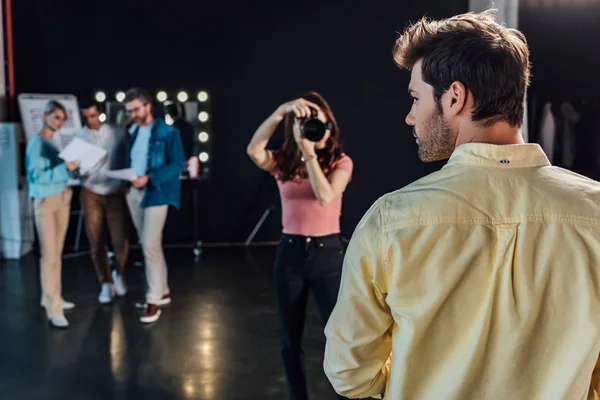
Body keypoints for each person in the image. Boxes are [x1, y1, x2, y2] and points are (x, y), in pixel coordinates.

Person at [323, 10, 600, 399]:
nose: (409, 117)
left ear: (454, 97)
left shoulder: (391, 221)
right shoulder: (595, 211)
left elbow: (350, 374)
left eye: (416, 98)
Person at [247, 91, 353, 400]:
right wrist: (280, 111)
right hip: (290, 254)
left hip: (328, 256)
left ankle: (345, 394)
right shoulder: (283, 161)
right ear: (296, 129)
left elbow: (325, 196)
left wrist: (309, 154)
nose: (314, 131)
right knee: (290, 340)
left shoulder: (340, 161)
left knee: (339, 336)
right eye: (306, 125)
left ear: (329, 127)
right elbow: (254, 150)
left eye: (318, 125)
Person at [123, 88, 185, 324]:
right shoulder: (132, 131)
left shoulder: (169, 132)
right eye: (130, 111)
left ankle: (153, 299)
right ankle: (163, 290)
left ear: (149, 106)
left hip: (156, 192)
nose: (133, 114)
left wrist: (149, 178)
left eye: (137, 109)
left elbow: (177, 164)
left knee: (149, 244)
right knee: (150, 245)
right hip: (134, 191)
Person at [25, 100, 80, 328]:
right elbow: (38, 176)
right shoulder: (36, 144)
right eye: (56, 117)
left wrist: (72, 168)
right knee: (49, 255)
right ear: (45, 116)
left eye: (63, 119)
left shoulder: (53, 142)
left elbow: (58, 172)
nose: (60, 123)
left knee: (56, 252)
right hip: (47, 201)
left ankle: (53, 297)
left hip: (62, 198)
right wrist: (64, 169)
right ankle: (52, 307)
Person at [77, 101, 130, 304]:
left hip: (115, 190)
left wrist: (127, 180)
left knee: (120, 239)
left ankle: (119, 273)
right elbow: (74, 166)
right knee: (95, 240)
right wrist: (78, 169)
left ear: (100, 113)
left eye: (92, 115)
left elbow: (129, 156)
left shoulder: (117, 132)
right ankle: (105, 283)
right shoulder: (79, 137)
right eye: (85, 117)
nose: (89, 120)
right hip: (90, 191)